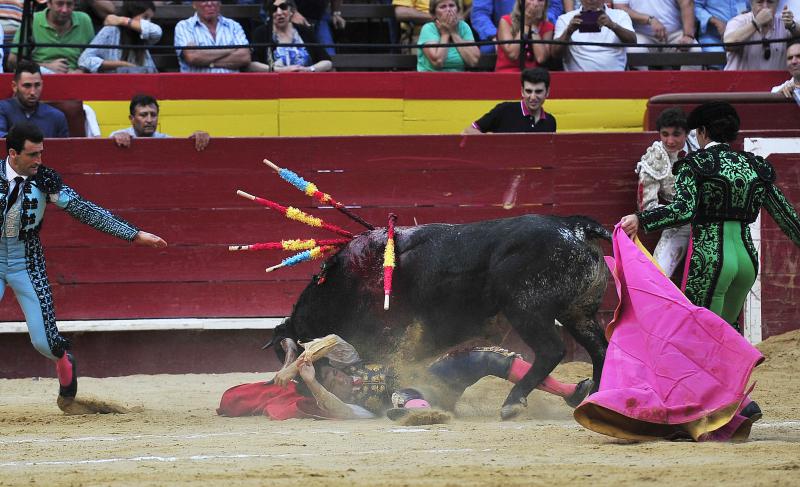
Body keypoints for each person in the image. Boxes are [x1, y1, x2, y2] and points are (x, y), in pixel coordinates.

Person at [1, 121, 167, 404]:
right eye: (33, 155)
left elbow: (84, 210)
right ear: (13, 154)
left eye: (42, 153)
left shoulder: (46, 181)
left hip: (27, 261)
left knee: (47, 343)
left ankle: (64, 362)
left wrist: (133, 234)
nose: (40, 160)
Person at [620, 101, 800, 331]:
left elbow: (684, 210)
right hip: (747, 261)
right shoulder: (754, 166)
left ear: (702, 132)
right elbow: (787, 217)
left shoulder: (694, 165)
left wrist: (641, 219)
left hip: (711, 260)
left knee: (700, 334)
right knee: (728, 333)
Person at [218, 334, 594, 420]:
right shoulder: (346, 404)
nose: (336, 378)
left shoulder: (350, 362)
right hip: (412, 397)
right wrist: (313, 382)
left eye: (331, 372)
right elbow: (345, 414)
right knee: (404, 396)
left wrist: (296, 364)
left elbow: (332, 340)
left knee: (486, 356)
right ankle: (421, 415)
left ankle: (567, 392)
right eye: (327, 380)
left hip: (436, 379)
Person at [634, 107, 694, 278]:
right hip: (679, 224)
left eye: (676, 134)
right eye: (664, 134)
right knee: (657, 277)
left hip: (711, 224)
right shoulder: (655, 159)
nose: (670, 140)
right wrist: (680, 216)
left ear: (687, 133)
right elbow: (647, 208)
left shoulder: (700, 146)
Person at [7, 0, 95, 73]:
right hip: (39, 78)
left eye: (69, 4)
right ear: (48, 4)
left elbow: (93, 57)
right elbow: (12, 61)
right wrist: (46, 66)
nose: (64, 10)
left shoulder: (84, 20)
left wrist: (81, 70)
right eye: (60, 4)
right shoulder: (32, 20)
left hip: (75, 79)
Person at [77, 0, 162, 74]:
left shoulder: (145, 35)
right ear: (132, 14)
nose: (148, 22)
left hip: (144, 80)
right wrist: (121, 64)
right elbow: (84, 60)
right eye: (145, 17)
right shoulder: (111, 30)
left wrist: (122, 20)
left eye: (151, 18)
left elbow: (157, 31)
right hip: (116, 82)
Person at [612, 0, 701, 69]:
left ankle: (685, 90)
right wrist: (649, 19)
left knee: (694, 51)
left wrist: (688, 35)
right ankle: (642, 89)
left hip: (674, 34)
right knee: (634, 52)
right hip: (640, 34)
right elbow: (620, 8)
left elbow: (686, 3)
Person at [464, 67, 556, 133]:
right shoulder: (504, 110)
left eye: (538, 91)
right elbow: (469, 131)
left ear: (547, 92)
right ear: (522, 91)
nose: (532, 97)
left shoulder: (550, 122)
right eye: (528, 91)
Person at [249, 0, 332, 72]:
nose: (279, 12)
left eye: (283, 7)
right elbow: (252, 65)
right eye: (274, 9)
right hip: (275, 83)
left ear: (292, 11)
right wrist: (279, 70)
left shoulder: (304, 31)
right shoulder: (261, 32)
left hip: (305, 81)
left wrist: (309, 69)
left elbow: (327, 62)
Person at [552, 0, 636, 72]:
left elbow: (632, 41)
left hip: (615, 79)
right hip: (578, 80)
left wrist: (613, 25)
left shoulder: (620, 15)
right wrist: (569, 31)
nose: (591, 0)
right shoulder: (565, 19)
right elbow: (555, 53)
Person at [109, 94, 210, 152]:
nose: (149, 120)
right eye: (143, 115)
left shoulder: (166, 140)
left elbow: (183, 150)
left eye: (153, 115)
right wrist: (115, 138)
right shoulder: (119, 135)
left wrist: (196, 137)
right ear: (131, 118)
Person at [173, 0, 251, 73]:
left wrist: (209, 62)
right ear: (194, 4)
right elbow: (192, 57)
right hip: (197, 84)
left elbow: (244, 57)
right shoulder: (184, 26)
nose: (210, 3)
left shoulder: (234, 26)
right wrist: (231, 49)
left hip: (232, 83)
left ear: (220, 3)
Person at [723, 0, 799, 71]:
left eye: (770, 2)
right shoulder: (738, 21)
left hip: (775, 83)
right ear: (751, 4)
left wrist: (793, 26)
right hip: (738, 83)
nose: (765, 7)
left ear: (777, 4)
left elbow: (796, 30)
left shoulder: (784, 22)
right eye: (760, 2)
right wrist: (757, 23)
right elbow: (728, 44)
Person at [0, 61, 68, 138]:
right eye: (27, 86)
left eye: (37, 85)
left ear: (42, 84)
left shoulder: (57, 117)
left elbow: (64, 148)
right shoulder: (2, 110)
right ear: (14, 86)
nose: (33, 92)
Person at [472, 0, 568, 54]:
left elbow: (556, 7)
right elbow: (480, 13)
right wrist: (493, 35)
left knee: (556, 50)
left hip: (539, 28)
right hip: (502, 33)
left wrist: (540, 18)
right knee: (487, 50)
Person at [417, 0, 480, 72]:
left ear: (458, 10)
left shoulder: (463, 26)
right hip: (431, 79)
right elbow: (438, 62)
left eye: (452, 5)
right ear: (434, 14)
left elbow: (474, 61)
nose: (448, 10)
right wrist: (445, 34)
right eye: (443, 7)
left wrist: (454, 33)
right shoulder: (428, 28)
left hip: (458, 79)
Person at [495, 0, 554, 72]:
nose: (535, 4)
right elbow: (513, 54)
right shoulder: (505, 21)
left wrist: (534, 26)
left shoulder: (548, 26)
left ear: (545, 4)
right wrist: (526, 24)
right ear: (521, 1)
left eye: (540, 0)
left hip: (534, 77)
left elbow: (540, 58)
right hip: (507, 73)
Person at [771, 38, 800, 102]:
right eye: (790, 58)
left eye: (798, 56)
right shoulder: (777, 90)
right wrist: (780, 95)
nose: (793, 61)